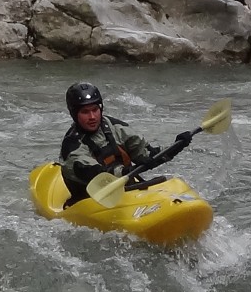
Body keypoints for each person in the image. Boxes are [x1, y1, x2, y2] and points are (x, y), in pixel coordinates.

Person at [58, 82, 196, 205]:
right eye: (85, 112)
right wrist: (125, 171)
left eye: (95, 109)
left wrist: (177, 146)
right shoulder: (71, 146)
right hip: (91, 201)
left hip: (126, 192)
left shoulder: (116, 128)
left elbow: (147, 155)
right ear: (74, 114)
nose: (92, 117)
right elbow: (97, 174)